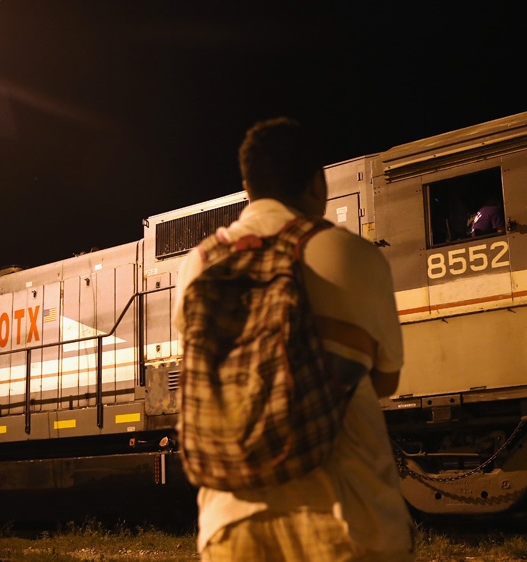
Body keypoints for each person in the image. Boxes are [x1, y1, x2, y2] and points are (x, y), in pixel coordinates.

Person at [173, 117, 415, 561]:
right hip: (346, 514)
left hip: (230, 524)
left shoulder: (197, 264)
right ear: (317, 184)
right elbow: (386, 382)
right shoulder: (352, 254)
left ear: (247, 186)